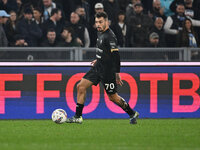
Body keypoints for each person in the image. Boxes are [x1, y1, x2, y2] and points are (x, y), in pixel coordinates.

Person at [66, 12, 139, 124]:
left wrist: (117, 73)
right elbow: (105, 51)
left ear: (106, 22)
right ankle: (78, 116)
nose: (98, 24)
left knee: (112, 97)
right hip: (98, 66)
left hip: (108, 71)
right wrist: (99, 59)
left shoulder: (110, 36)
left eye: (100, 22)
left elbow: (116, 56)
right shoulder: (100, 33)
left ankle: (132, 113)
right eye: (96, 22)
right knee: (80, 86)